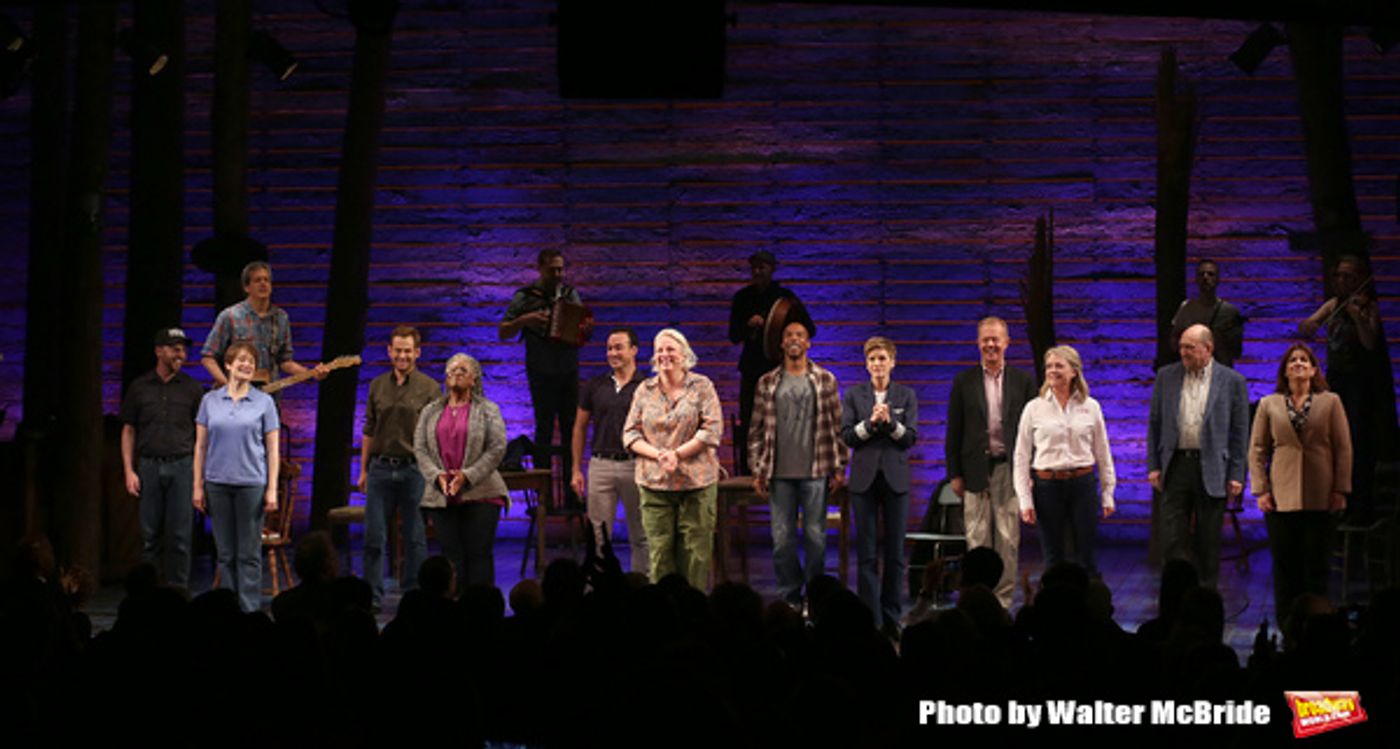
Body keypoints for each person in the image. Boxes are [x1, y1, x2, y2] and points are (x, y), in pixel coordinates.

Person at [1249, 344, 1351, 619]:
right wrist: (1261, 490)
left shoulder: (1331, 402)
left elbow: (1343, 448)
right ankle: (1287, 626)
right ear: (1284, 370)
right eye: (1292, 360)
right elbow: (1258, 448)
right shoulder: (1268, 404)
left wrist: (1340, 489)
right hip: (1281, 499)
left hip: (1321, 495)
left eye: (1304, 360)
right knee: (1286, 568)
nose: (1298, 363)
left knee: (1316, 567)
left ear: (1314, 369)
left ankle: (1317, 625)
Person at [749, 318, 845, 608]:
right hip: (778, 473)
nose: (793, 339)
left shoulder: (825, 379)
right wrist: (757, 468)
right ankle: (790, 596)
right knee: (782, 541)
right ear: (781, 343)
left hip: (814, 471)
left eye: (799, 335)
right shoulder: (767, 382)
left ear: (808, 342)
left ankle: (814, 597)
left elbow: (837, 425)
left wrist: (839, 466)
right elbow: (755, 429)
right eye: (788, 335)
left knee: (816, 538)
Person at [1146, 324, 1250, 589]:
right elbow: (1154, 424)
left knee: (1208, 542)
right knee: (1173, 540)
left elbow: (1240, 432)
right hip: (1176, 465)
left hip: (1213, 467)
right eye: (1181, 346)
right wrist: (1154, 467)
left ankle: (1205, 600)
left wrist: (1237, 474)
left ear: (1208, 348)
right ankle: (1174, 600)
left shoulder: (1232, 381)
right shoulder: (1166, 376)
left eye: (1190, 347)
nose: (1183, 352)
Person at [945, 316, 1037, 609]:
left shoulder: (1023, 381)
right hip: (974, 472)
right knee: (977, 539)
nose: (990, 345)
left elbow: (1033, 430)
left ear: (1007, 342)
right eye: (985, 339)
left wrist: (1030, 472)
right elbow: (954, 430)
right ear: (977, 343)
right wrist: (954, 474)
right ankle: (977, 601)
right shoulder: (964, 381)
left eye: (996, 339)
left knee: (1008, 540)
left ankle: (1003, 602)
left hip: (1010, 469)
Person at [622, 328, 723, 588]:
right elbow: (630, 434)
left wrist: (677, 454)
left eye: (671, 349)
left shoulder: (702, 386)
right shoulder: (645, 389)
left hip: (696, 483)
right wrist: (660, 455)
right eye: (660, 350)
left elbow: (712, 430)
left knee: (695, 555)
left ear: (684, 354)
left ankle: (695, 613)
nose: (664, 355)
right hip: (654, 484)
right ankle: (664, 616)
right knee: (659, 557)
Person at [1299, 253, 1395, 521]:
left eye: (1349, 276)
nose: (1342, 281)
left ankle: (1359, 504)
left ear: (1361, 279)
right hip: (1336, 381)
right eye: (1339, 275)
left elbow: (1368, 342)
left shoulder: (1368, 307)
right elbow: (1310, 324)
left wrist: (1358, 317)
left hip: (1359, 385)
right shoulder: (1335, 304)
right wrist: (1309, 324)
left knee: (1355, 440)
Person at [1013, 345, 1115, 576]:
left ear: (1074, 372)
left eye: (1059, 366)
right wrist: (1025, 500)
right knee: (1053, 556)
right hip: (1047, 486)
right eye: (1049, 366)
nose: (1053, 370)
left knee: (1086, 556)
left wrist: (1108, 493)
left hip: (1082, 484)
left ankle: (1088, 606)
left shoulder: (1091, 407)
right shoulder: (1033, 408)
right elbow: (1021, 457)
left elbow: (1103, 452)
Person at [194, 342, 280, 612]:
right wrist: (197, 486)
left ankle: (249, 610)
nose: (246, 365)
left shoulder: (264, 402)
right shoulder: (210, 401)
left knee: (249, 554)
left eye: (251, 361)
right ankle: (228, 609)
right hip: (217, 483)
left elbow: (273, 449)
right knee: (225, 553)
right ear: (228, 365)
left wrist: (272, 489)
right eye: (241, 360)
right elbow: (200, 447)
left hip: (251, 484)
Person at [357, 326, 439, 609]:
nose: (402, 355)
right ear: (389, 352)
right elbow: (368, 429)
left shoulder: (429, 387)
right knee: (373, 537)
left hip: (413, 470)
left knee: (415, 537)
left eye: (408, 351)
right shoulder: (377, 385)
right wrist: (363, 470)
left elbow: (433, 434)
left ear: (417, 353)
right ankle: (372, 598)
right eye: (398, 350)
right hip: (380, 468)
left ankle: (413, 597)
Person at [413, 353, 510, 590]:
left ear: (474, 379)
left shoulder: (488, 409)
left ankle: (482, 610)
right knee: (452, 557)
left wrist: (467, 476)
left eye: (462, 370)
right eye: (451, 370)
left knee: (478, 555)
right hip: (441, 493)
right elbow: (420, 448)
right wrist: (437, 476)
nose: (456, 373)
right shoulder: (430, 411)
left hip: (482, 491)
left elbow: (497, 447)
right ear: (445, 379)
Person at [119, 327, 205, 591]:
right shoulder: (139, 387)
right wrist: (129, 471)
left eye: (183, 348)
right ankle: (149, 595)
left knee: (180, 538)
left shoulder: (192, 388)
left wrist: (198, 477)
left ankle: (178, 594)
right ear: (158, 351)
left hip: (181, 466)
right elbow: (129, 429)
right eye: (174, 347)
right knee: (149, 538)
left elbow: (202, 435)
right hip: (149, 466)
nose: (181, 352)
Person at [841, 336, 917, 633]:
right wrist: (871, 423)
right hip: (863, 480)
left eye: (882, 358)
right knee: (867, 553)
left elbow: (910, 438)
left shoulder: (906, 395)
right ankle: (870, 619)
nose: (877, 364)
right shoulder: (854, 395)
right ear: (866, 364)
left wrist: (891, 424)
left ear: (893, 362)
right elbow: (848, 436)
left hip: (896, 480)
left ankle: (892, 616)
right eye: (872, 359)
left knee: (896, 553)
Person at [499, 249, 585, 503]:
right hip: (540, 370)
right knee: (544, 428)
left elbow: (580, 328)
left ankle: (571, 492)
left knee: (571, 428)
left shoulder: (570, 295)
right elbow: (503, 330)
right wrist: (525, 320)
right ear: (540, 268)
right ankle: (543, 494)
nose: (558, 275)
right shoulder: (525, 297)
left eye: (561, 269)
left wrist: (584, 328)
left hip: (567, 369)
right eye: (552, 270)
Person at [570, 327, 649, 573]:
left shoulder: (647, 386)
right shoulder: (595, 385)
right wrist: (576, 469)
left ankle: (642, 589)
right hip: (600, 465)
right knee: (598, 536)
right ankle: (599, 593)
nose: (613, 353)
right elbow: (579, 428)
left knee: (642, 535)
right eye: (609, 348)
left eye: (618, 347)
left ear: (634, 350)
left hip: (636, 465)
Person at [728, 250, 808, 475]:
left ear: (772, 269)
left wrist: (787, 334)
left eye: (762, 267)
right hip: (752, 369)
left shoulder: (785, 298)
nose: (757, 271)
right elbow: (733, 335)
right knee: (750, 420)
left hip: (779, 369)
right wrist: (748, 325)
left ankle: (786, 467)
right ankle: (749, 470)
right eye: (754, 267)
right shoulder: (742, 298)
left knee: (784, 419)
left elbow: (809, 329)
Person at [200, 261, 328, 387]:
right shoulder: (230, 316)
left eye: (266, 280)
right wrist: (226, 384)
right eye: (257, 280)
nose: (263, 284)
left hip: (269, 395)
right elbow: (208, 357)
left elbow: (285, 361)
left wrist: (310, 373)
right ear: (246, 287)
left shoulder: (281, 317)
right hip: (238, 396)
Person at [1169, 259, 1245, 367]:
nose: (1206, 277)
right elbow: (1173, 341)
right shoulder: (1187, 308)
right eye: (1201, 274)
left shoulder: (1229, 312)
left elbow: (1236, 351)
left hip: (1220, 370)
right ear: (1196, 279)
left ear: (1218, 279)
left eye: (1210, 274)